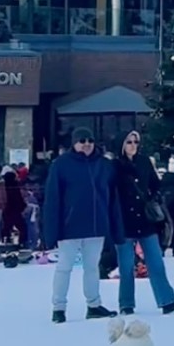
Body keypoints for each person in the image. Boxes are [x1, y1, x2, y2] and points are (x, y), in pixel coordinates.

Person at [41, 128, 118, 323]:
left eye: (90, 140)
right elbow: (53, 199)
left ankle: (93, 305)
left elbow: (111, 197)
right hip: (70, 227)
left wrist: (111, 225)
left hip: (96, 226)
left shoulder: (103, 165)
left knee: (92, 267)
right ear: (74, 143)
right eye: (82, 140)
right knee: (64, 267)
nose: (87, 143)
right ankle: (58, 308)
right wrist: (51, 230)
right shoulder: (61, 165)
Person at [110, 131, 174, 316]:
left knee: (156, 261)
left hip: (145, 218)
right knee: (126, 265)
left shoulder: (144, 161)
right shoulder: (114, 166)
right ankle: (126, 303)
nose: (133, 145)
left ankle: (166, 299)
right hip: (124, 220)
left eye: (136, 141)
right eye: (129, 142)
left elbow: (155, 184)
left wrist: (154, 198)